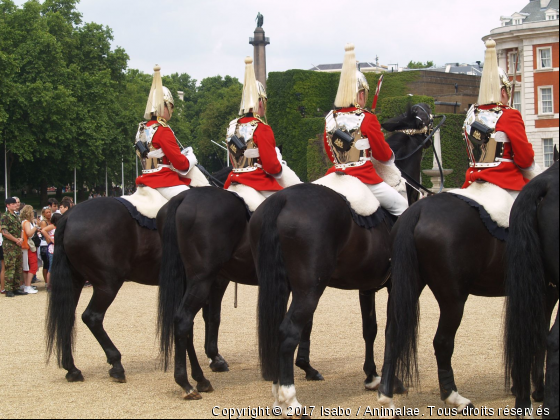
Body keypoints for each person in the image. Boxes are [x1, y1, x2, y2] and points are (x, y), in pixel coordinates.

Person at [323, 44, 408, 217]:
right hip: (364, 177)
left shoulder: (329, 119)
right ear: (361, 94)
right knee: (402, 207)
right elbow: (383, 156)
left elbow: (331, 153)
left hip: (335, 176)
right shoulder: (367, 118)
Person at [462, 39, 535, 200]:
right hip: (505, 180)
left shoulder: (471, 113)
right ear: (503, 91)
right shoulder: (510, 114)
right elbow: (525, 159)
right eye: (508, 94)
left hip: (472, 180)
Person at [223, 57, 284, 199]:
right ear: (261, 102)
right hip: (257, 181)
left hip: (233, 179)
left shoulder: (232, 126)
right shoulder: (262, 128)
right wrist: (278, 163)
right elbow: (271, 167)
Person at [134, 65, 198, 201]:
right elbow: (180, 164)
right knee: (194, 201)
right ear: (164, 106)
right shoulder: (163, 129)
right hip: (163, 181)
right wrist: (191, 159)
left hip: (145, 178)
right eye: (171, 106)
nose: (172, 111)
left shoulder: (142, 128)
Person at [1, 198, 26, 297]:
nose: (16, 205)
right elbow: (4, 232)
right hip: (9, 245)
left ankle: (16, 287)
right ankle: (8, 289)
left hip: (17, 244)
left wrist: (21, 239)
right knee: (10, 266)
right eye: (13, 204)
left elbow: (21, 229)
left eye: (16, 203)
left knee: (18, 266)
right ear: (8, 205)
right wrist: (16, 240)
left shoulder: (16, 216)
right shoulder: (5, 216)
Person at [20, 205, 39, 294]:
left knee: (26, 267)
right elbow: (29, 233)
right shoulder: (27, 222)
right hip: (28, 246)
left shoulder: (22, 221)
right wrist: (36, 227)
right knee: (33, 265)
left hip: (24, 246)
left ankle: (25, 284)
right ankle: (28, 285)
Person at [42, 213, 62, 289]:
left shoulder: (58, 227)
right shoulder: (52, 226)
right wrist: (50, 238)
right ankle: (49, 285)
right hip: (52, 248)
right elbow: (43, 230)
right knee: (51, 267)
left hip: (57, 247)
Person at [39, 207, 52, 284]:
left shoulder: (50, 221)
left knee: (49, 263)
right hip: (44, 243)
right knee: (46, 263)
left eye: (49, 212)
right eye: (47, 212)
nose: (48, 214)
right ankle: (46, 282)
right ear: (43, 213)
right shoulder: (43, 222)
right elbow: (45, 233)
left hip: (50, 243)